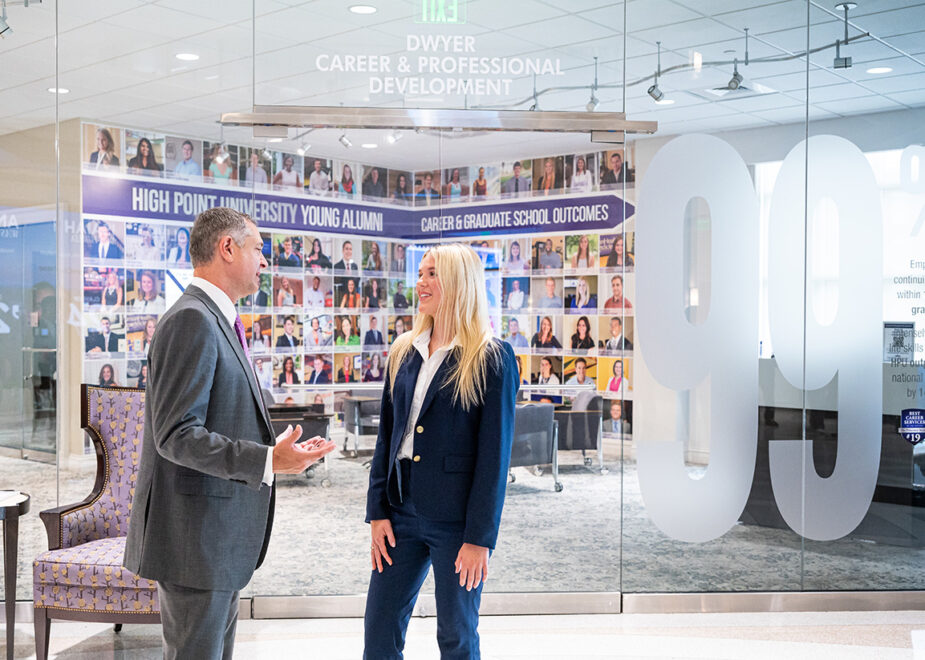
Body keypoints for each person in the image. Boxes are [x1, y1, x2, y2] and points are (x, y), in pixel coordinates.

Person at [124, 207, 335, 659]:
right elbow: (177, 434)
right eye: (258, 249)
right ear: (227, 248)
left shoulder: (216, 318)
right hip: (195, 543)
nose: (264, 261)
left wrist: (278, 453)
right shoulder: (192, 320)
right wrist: (265, 461)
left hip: (215, 543)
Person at [364, 243, 518, 659]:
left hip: (457, 523)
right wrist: (377, 511)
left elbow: (494, 458)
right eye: (420, 274)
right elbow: (387, 438)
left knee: (456, 636)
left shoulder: (491, 358)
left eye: (431, 274)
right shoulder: (403, 350)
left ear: (457, 282)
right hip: (399, 512)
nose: (421, 283)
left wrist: (479, 539)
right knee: (379, 631)